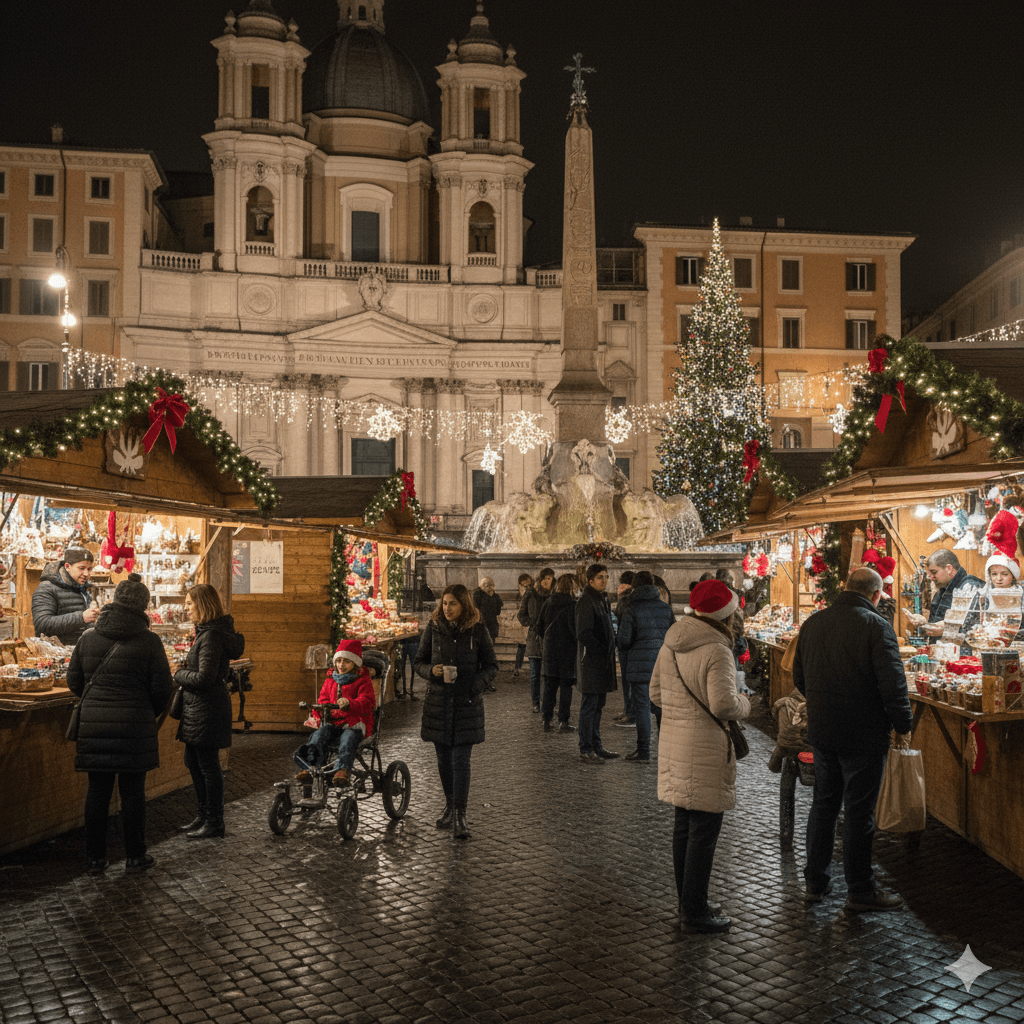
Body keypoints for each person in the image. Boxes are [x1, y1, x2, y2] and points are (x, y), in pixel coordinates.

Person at [793, 567, 914, 912]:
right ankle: (860, 891)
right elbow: (893, 683)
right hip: (863, 734)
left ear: (846, 588)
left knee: (824, 805)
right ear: (876, 594)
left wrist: (824, 703)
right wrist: (903, 723)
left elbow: (799, 676)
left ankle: (815, 883)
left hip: (824, 731)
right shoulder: (876, 626)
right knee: (859, 813)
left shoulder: (814, 623)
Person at [650, 579, 749, 933]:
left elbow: (655, 694)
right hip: (706, 747)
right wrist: (745, 702)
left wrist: (679, 714)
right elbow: (724, 704)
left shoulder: (671, 643)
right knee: (704, 831)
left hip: (675, 742)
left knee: (684, 827)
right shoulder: (717, 649)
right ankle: (695, 913)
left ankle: (689, 901)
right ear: (726, 614)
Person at [67, 572, 172, 874]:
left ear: (114, 600)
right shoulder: (150, 642)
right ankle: (135, 856)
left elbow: (74, 681)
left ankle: (94, 858)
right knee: (133, 794)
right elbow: (162, 690)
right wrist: (142, 711)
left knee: (97, 793)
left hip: (95, 727)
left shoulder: (88, 638)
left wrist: (98, 702)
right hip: (134, 727)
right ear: (143, 606)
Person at [416, 583, 497, 839]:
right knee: (443, 761)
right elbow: (419, 661)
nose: (447, 608)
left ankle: (460, 815)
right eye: (445, 603)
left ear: (464, 605)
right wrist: (432, 671)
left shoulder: (477, 629)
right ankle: (450, 806)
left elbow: (491, 665)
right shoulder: (434, 628)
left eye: (453, 603)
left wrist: (476, 684)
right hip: (438, 703)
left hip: (466, 704)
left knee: (460, 761)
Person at [174, 583, 245, 839]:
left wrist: (179, 674)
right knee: (193, 761)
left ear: (202, 605)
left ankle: (214, 821)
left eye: (190, 603)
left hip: (207, 709)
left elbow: (205, 677)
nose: (186, 608)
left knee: (207, 765)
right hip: (201, 709)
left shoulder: (211, 636)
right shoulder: (208, 632)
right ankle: (203, 815)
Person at [294, 639, 375, 786]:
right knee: (318, 735)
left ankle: (342, 769)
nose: (341, 665)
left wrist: (350, 703)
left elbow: (367, 701)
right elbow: (323, 700)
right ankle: (312, 767)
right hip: (333, 723)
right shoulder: (330, 681)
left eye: (346, 662)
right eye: (339, 661)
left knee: (348, 738)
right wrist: (318, 711)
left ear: (355, 664)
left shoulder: (362, 681)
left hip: (354, 724)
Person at [616, 570, 675, 762]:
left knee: (642, 709)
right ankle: (666, 751)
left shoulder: (631, 608)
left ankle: (643, 751)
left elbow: (623, 640)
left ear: (635, 587)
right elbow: (673, 636)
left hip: (640, 666)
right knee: (660, 709)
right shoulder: (665, 608)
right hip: (662, 665)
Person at [575, 563, 619, 763]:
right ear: (590, 581)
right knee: (590, 705)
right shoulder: (586, 601)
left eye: (606, 577)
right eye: (600, 577)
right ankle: (586, 748)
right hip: (592, 662)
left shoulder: (602, 599)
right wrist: (601, 650)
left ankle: (597, 745)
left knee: (598, 705)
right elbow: (584, 633)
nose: (605, 581)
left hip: (602, 662)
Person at [904, 549, 982, 637]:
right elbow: (937, 626)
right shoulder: (941, 592)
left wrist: (946, 629)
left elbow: (973, 629)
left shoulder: (971, 587)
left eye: (934, 572)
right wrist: (925, 622)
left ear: (949, 568)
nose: (931, 577)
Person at [31, 546, 99, 647]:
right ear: (67, 566)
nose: (86, 574)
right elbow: (42, 624)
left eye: (89, 569)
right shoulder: (47, 588)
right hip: (55, 654)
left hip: (81, 651)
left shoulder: (86, 589)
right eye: (81, 568)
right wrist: (81, 617)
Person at [536, 573, 577, 732]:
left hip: (550, 650)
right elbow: (575, 629)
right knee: (566, 686)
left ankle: (546, 720)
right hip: (567, 650)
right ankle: (563, 722)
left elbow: (539, 626)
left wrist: (548, 639)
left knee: (550, 685)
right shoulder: (573, 605)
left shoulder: (548, 602)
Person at [522, 567, 555, 712]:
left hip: (550, 637)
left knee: (550, 674)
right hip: (535, 638)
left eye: (550, 578)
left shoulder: (554, 595)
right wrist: (532, 623)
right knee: (535, 674)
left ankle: (549, 703)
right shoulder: (531, 594)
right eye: (545, 578)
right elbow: (521, 614)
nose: (547, 581)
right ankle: (536, 703)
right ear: (540, 579)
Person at [612, 570, 636, 727]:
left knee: (629, 681)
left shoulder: (625, 599)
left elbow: (620, 619)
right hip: (633, 645)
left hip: (626, 646)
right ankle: (629, 710)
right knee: (631, 681)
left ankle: (630, 713)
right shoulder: (634, 597)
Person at [471, 576, 502, 692]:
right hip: (479, 629)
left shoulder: (494, 595)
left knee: (489, 657)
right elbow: (476, 610)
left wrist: (492, 597)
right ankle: (479, 683)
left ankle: (486, 682)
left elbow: (498, 611)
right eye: (487, 585)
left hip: (491, 628)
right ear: (482, 586)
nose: (489, 588)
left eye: (490, 585)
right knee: (478, 656)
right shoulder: (477, 594)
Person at [512, 573, 532, 679]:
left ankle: (518, 667)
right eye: (524, 583)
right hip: (524, 622)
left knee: (524, 645)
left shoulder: (530, 590)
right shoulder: (524, 590)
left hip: (527, 621)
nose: (526, 585)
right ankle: (517, 667)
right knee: (522, 645)